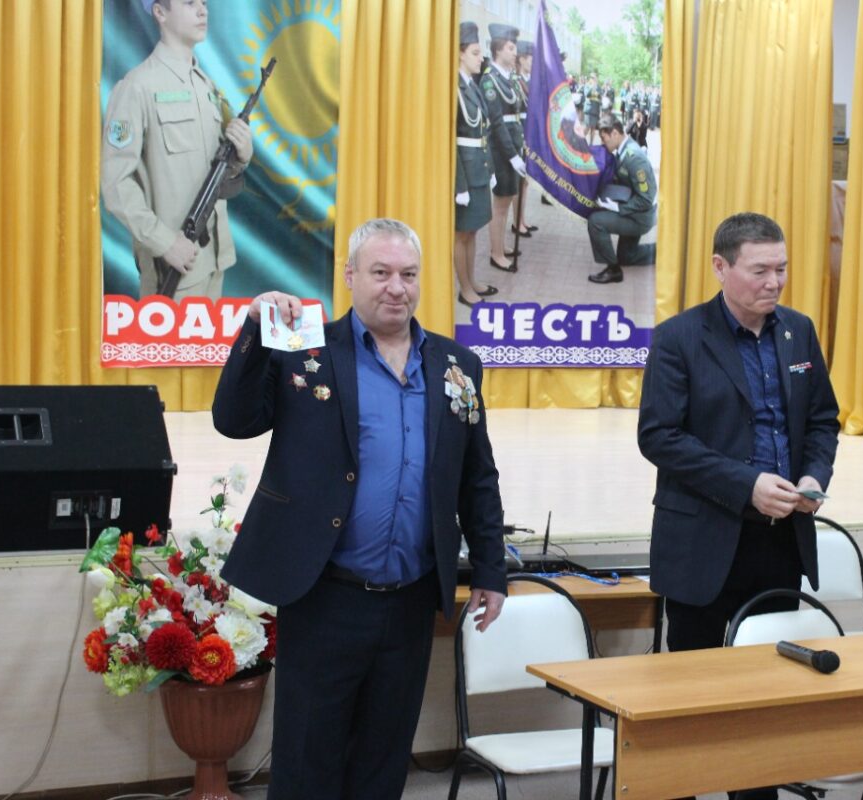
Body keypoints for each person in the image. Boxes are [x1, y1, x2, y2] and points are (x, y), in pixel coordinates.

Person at [213, 218, 508, 799]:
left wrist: (491, 569)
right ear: (350, 276)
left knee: (383, 761)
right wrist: (252, 332)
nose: (396, 287)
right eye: (380, 273)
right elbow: (234, 419)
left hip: (410, 602)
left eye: (408, 275)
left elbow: (477, 476)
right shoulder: (305, 348)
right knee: (307, 762)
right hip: (325, 596)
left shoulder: (456, 365)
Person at [638, 212, 839, 800]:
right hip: (703, 544)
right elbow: (659, 437)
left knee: (766, 695)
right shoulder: (679, 337)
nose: (774, 282)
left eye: (781, 268)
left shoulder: (798, 332)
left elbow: (822, 420)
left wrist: (813, 474)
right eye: (759, 270)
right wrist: (745, 483)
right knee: (693, 698)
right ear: (720, 268)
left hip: (779, 542)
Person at [101, 0, 253, 301]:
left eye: (204, 3)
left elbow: (214, 170)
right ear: (160, 13)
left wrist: (241, 156)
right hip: (171, 266)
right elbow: (115, 182)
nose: (202, 10)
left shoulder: (206, 86)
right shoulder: (137, 86)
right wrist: (164, 242)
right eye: (189, 3)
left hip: (215, 258)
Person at [454, 22, 497, 308]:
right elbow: (450, 141)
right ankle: (465, 288)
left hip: (479, 168)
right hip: (466, 174)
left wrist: (490, 169)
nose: (481, 58)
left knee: (473, 230)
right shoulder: (454, 88)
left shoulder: (472, 85)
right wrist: (459, 185)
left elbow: (484, 131)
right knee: (461, 233)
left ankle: (472, 280)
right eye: (474, 52)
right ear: (460, 53)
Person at [586, 114, 657, 284]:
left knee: (596, 221)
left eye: (604, 139)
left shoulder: (634, 158)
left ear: (615, 133)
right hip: (634, 210)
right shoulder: (624, 150)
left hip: (640, 217)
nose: (603, 143)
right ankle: (663, 252)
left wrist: (616, 208)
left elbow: (646, 199)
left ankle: (613, 270)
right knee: (626, 256)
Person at [480, 23, 526, 273]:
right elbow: (497, 123)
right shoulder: (490, 81)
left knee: (508, 199)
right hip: (501, 150)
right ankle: (495, 253)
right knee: (500, 204)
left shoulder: (509, 79)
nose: (514, 52)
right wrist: (512, 155)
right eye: (510, 47)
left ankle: (501, 245)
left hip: (513, 145)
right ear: (498, 49)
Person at [511, 40, 537, 239]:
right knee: (519, 182)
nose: (532, 62)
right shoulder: (515, 81)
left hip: (529, 135)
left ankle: (521, 219)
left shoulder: (528, 80)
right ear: (521, 59)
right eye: (530, 58)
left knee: (525, 182)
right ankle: (516, 221)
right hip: (519, 134)